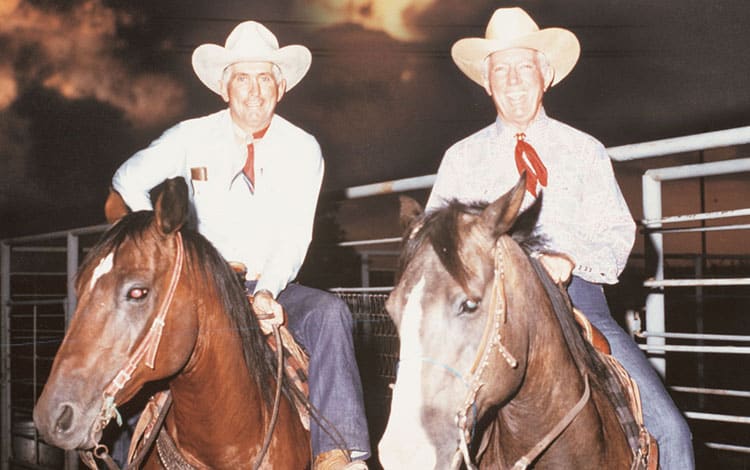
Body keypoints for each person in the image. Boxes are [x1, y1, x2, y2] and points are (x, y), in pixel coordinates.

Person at [426, 7, 693, 469]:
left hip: (579, 304)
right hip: (488, 317)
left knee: (671, 434)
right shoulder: (460, 159)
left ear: (545, 74)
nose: (513, 81)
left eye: (523, 67)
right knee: (433, 432)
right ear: (486, 83)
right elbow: (437, 244)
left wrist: (569, 258)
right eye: (500, 71)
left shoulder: (584, 150)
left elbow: (616, 233)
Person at [106, 21, 370, 470]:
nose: (253, 91)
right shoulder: (191, 136)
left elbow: (295, 233)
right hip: (201, 288)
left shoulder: (303, 148)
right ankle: (120, 449)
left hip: (274, 285)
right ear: (224, 86)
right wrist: (168, 251)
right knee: (143, 340)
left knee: (330, 314)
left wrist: (266, 292)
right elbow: (128, 181)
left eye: (264, 77)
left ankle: (336, 453)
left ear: (281, 87)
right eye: (242, 78)